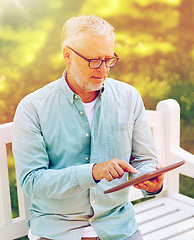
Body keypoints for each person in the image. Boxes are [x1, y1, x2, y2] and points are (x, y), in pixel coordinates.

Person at [12, 15, 164, 240]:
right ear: (67, 55)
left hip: (118, 227)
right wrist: (92, 172)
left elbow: (145, 160)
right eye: (93, 60)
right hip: (58, 229)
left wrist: (149, 181)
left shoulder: (129, 97)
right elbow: (32, 182)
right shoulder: (33, 107)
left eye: (108, 60)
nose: (103, 70)